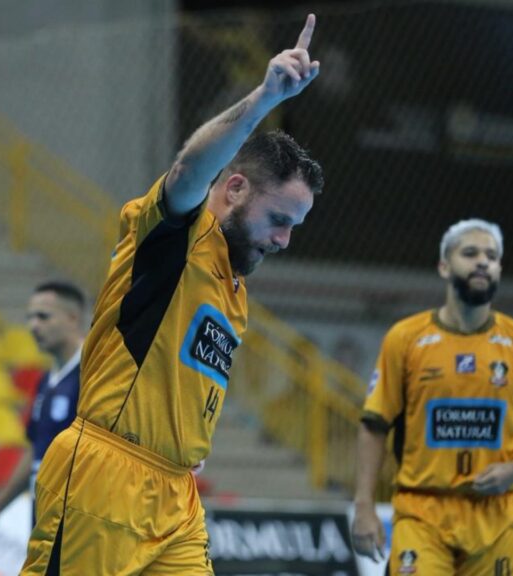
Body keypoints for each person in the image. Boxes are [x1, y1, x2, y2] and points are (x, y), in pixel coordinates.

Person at [20, 14, 323, 575]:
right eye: (279, 219)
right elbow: (188, 169)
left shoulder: (235, 287)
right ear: (234, 189)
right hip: (104, 476)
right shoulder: (174, 235)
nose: (283, 239)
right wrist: (263, 98)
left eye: (294, 228)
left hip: (177, 496)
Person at [350, 219, 513, 575]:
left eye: (492, 256)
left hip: (497, 517)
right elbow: (374, 426)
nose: (482, 261)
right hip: (421, 514)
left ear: (499, 269)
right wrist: (363, 506)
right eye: (470, 253)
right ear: (444, 266)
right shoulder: (405, 338)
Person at [0, 281, 87, 554]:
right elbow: (35, 452)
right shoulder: (47, 380)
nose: (33, 326)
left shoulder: (93, 374)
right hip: (43, 512)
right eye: (30, 318)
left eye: (43, 316)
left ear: (72, 318)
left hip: (80, 518)